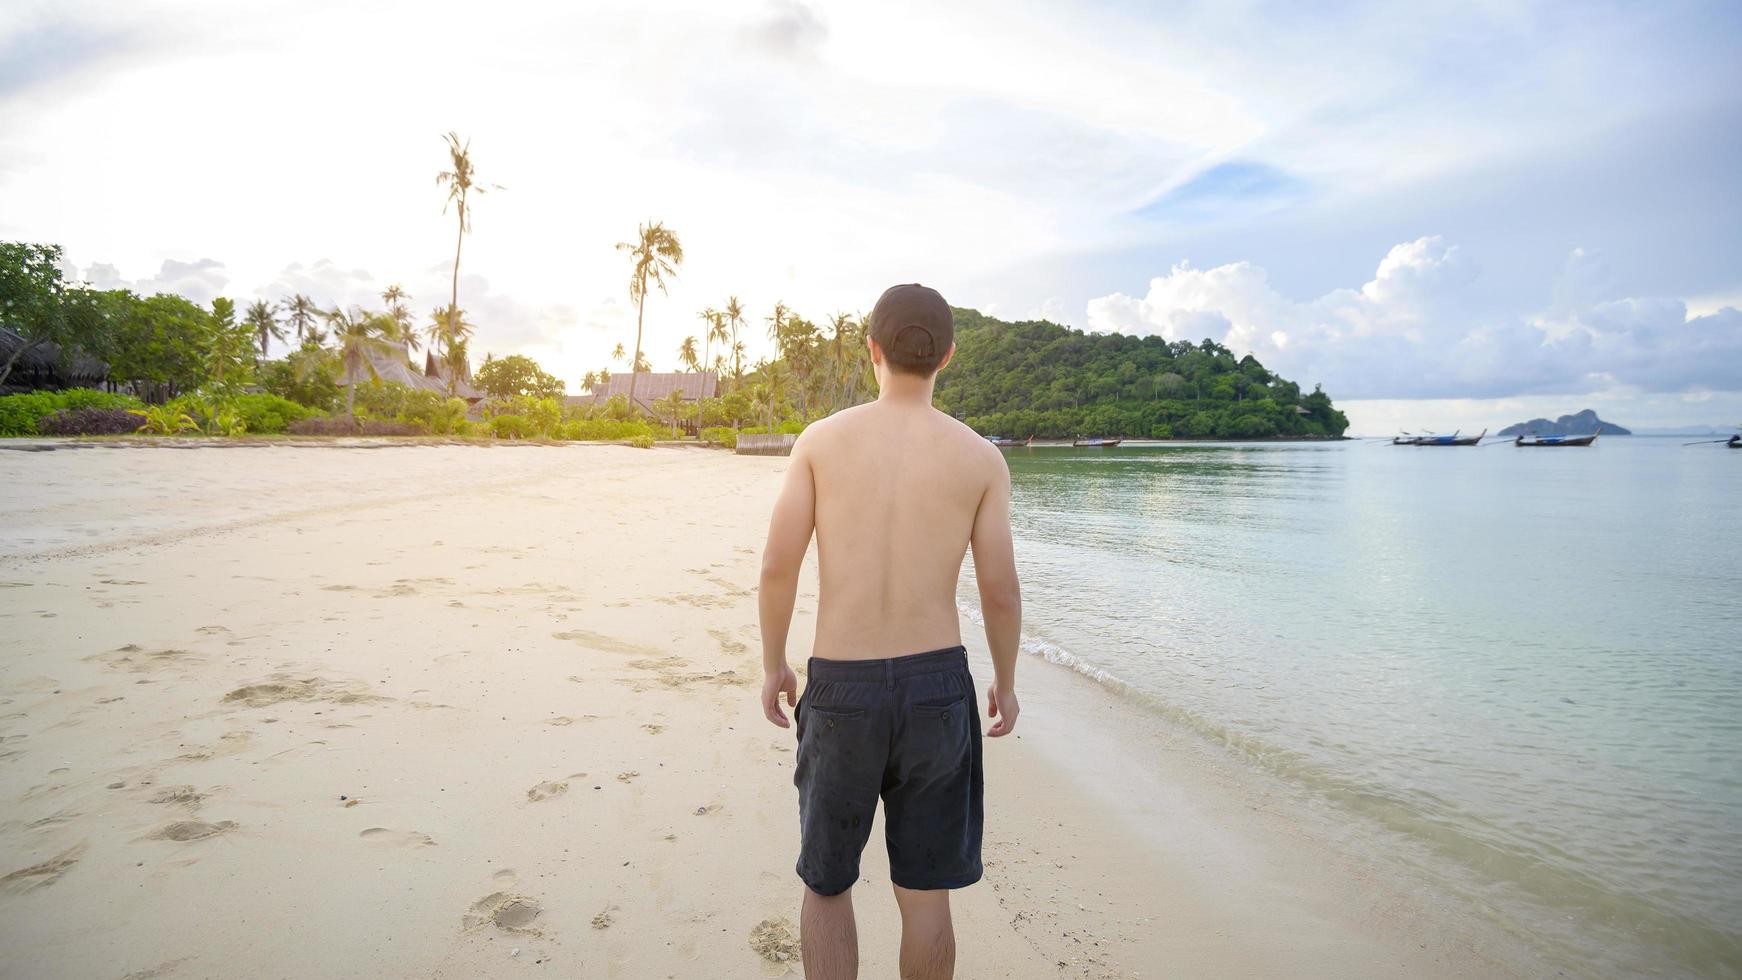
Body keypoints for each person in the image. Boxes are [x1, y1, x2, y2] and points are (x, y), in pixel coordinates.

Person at [758, 283, 1022, 980]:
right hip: (937, 686)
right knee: (925, 891)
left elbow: (777, 566)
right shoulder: (979, 458)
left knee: (827, 883)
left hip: (842, 685)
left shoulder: (821, 442)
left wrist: (773, 664)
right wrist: (1008, 681)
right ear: (948, 356)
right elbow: (1000, 591)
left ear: (871, 349)